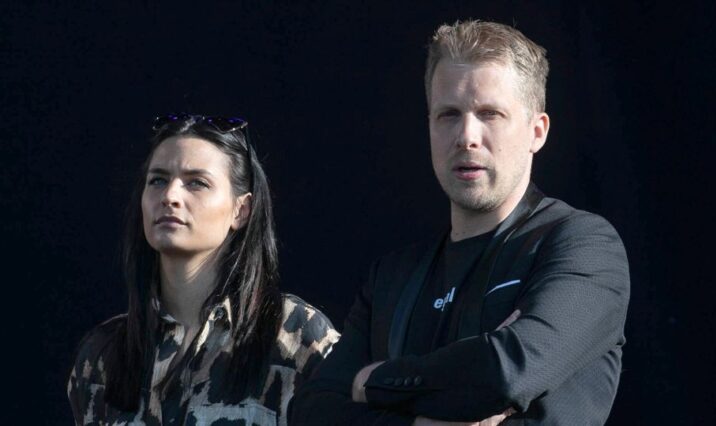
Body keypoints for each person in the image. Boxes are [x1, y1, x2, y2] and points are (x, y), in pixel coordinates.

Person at [290, 20, 630, 425]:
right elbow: (311, 411)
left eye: (490, 114)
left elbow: (505, 373)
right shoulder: (392, 278)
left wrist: (375, 382)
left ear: (536, 132)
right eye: (449, 114)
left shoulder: (581, 246)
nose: (467, 136)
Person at [67, 114, 340, 425]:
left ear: (241, 210)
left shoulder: (296, 337)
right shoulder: (102, 354)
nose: (170, 196)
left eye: (197, 182)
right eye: (158, 180)